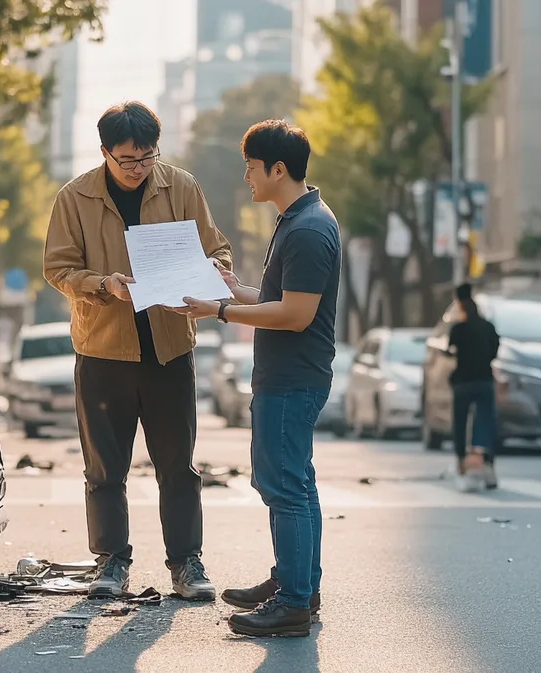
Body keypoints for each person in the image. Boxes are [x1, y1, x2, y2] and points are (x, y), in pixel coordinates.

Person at [42, 101, 232, 601]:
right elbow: (58, 268)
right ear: (105, 151)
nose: (138, 168)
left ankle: (186, 563)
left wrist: (213, 272)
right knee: (105, 468)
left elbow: (216, 248)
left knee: (178, 466)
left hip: (170, 351)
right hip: (103, 352)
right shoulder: (74, 198)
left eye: (148, 157)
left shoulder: (181, 187)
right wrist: (104, 285)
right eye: (127, 159)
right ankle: (110, 562)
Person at [177, 119, 340, 638]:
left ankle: (292, 602)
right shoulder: (299, 219)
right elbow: (278, 300)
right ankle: (298, 585)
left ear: (278, 169)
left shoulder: (308, 229)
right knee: (295, 484)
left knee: (284, 487)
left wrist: (220, 310)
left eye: (251, 168)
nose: (246, 177)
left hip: (292, 379)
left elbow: (295, 315)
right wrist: (235, 289)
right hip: (289, 376)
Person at [444, 283, 500, 492]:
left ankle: (461, 461)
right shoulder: (488, 327)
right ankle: (488, 463)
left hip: (463, 382)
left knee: (459, 423)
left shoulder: (458, 328)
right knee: (487, 421)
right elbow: (494, 351)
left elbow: (449, 350)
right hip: (484, 380)